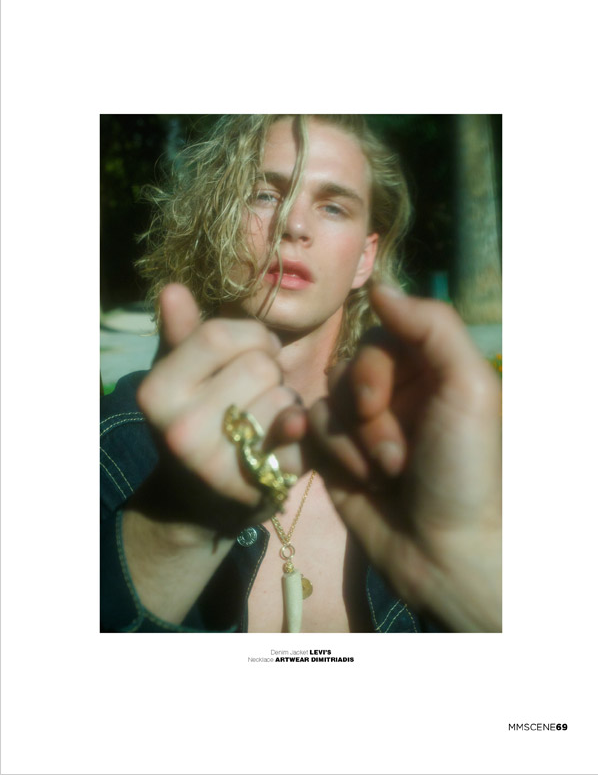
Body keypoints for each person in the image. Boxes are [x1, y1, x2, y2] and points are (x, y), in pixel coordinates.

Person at [100, 114, 502, 633]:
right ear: (216, 219)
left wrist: (471, 578)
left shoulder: (430, 456)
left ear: (366, 257)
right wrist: (175, 531)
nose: (293, 225)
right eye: (265, 195)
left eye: (333, 206)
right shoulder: (111, 448)